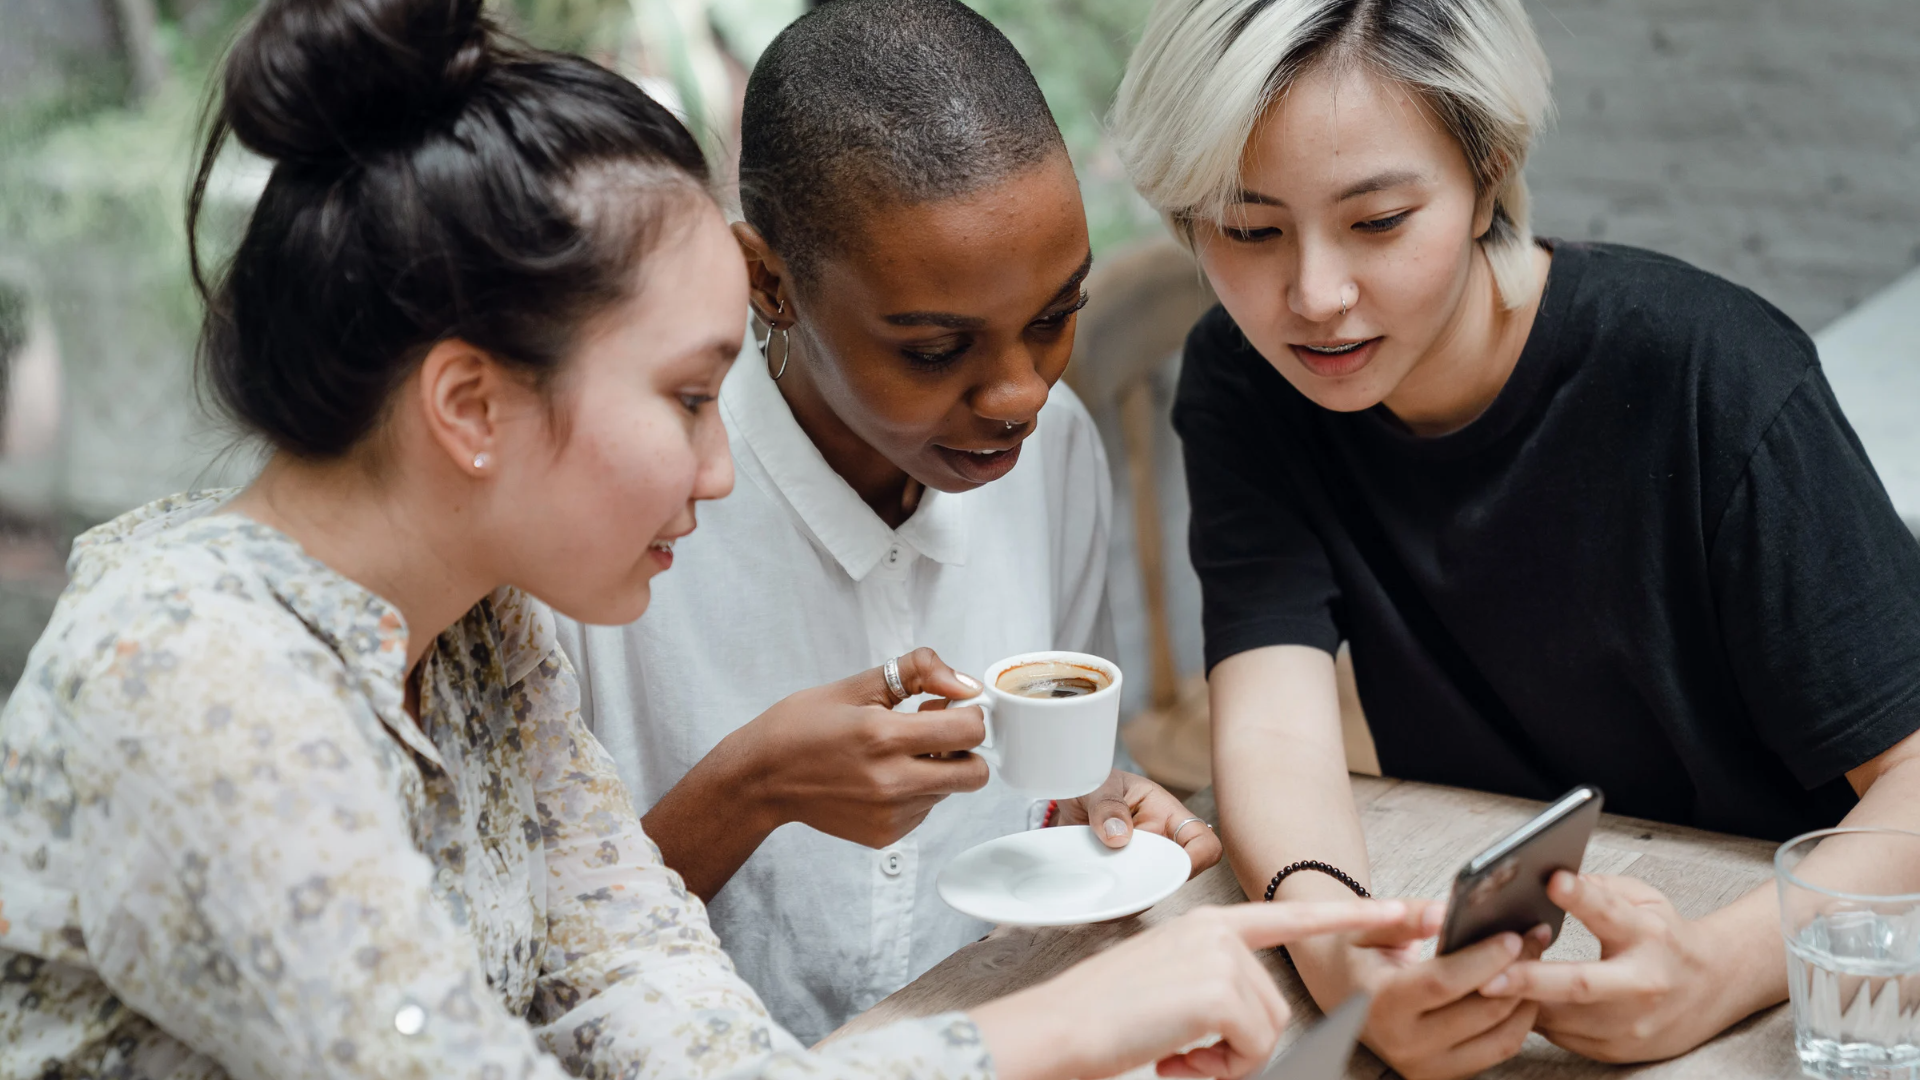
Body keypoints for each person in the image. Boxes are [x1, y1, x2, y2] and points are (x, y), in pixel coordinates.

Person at [0, 1, 1428, 1077]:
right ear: (470, 403)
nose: (724, 462)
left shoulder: (482, 633)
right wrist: (1040, 1035)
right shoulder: (194, 678)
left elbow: (647, 999)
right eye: (692, 395)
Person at [1109, 0, 1920, 1077]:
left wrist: (1712, 974)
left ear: (1487, 171)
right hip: (1489, 927)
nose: (1314, 297)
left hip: (1809, 978)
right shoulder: (1246, 378)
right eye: (1248, 230)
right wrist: (1347, 960)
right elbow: (1272, 733)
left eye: (1379, 220)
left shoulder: (1707, 371)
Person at [554, 0, 1220, 1045]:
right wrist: (750, 789)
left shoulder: (1056, 459)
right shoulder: (619, 519)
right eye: (932, 350)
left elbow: (1056, 802)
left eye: (1055, 319)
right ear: (768, 281)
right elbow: (529, 973)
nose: (1018, 397)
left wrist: (1102, 810)